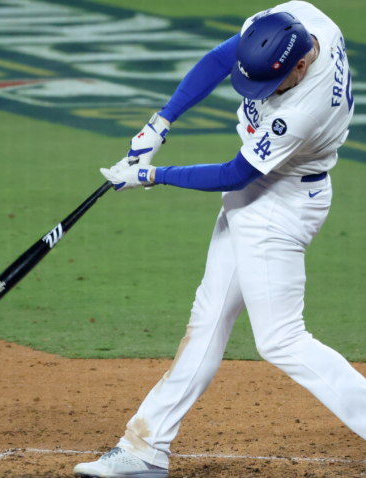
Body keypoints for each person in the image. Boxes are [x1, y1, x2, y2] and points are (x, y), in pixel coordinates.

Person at [75, 3, 364, 477]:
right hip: (259, 195)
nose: (264, 95)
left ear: (301, 65)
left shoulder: (306, 109)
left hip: (282, 202)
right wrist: (160, 122)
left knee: (281, 339)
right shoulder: (294, 20)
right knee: (207, 321)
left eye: (272, 86)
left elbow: (236, 172)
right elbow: (219, 57)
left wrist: (151, 174)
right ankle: (145, 450)